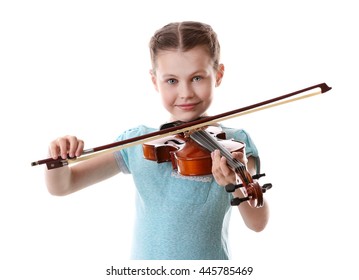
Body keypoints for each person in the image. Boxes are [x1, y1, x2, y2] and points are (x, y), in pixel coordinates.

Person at [45, 21, 269, 260]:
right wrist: (58, 158)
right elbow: (63, 186)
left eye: (197, 78)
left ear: (219, 75)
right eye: (172, 81)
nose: (186, 93)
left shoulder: (234, 144)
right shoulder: (138, 142)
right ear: (155, 81)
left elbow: (257, 222)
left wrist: (235, 184)